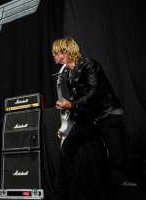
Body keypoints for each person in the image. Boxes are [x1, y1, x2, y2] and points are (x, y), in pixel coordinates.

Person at [51, 37, 146, 199]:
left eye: (55, 52)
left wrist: (71, 105)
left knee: (119, 161)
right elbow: (78, 103)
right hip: (90, 119)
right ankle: (59, 196)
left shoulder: (89, 64)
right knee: (67, 147)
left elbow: (95, 93)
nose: (53, 55)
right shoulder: (68, 74)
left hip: (108, 115)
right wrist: (65, 129)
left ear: (65, 51)